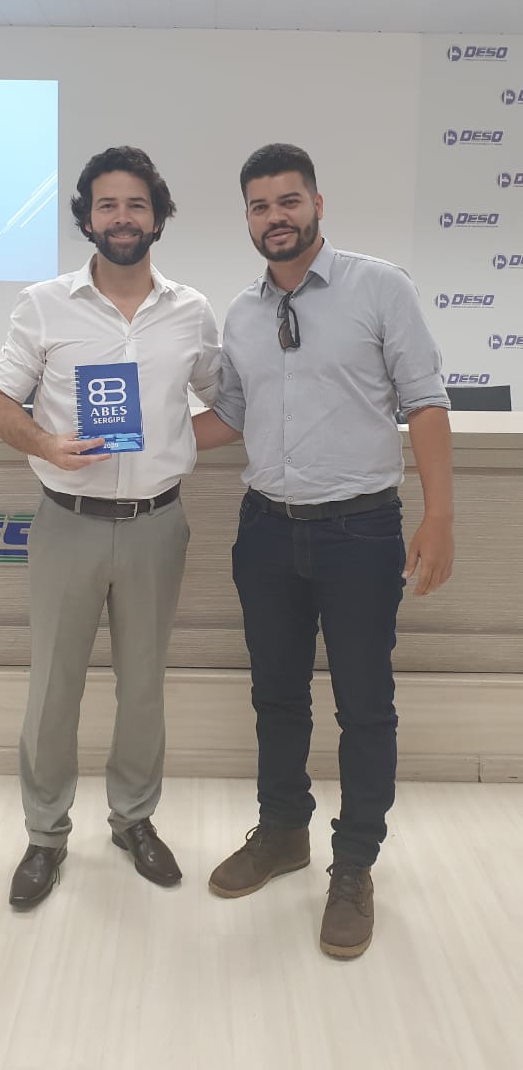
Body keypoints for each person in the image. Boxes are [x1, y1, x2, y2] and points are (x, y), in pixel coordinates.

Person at [193, 143, 453, 959]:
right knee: (275, 696)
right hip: (265, 531)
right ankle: (282, 832)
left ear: (316, 204)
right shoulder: (241, 313)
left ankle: (353, 864)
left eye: (288, 200)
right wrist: (128, 441)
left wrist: (439, 517)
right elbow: (228, 419)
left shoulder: (379, 287)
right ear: (246, 218)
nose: (275, 217)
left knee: (363, 705)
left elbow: (425, 402)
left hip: (360, 532)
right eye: (259, 206)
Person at [0, 146, 220, 908]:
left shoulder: (191, 310)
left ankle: (133, 821)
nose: (122, 218)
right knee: (53, 688)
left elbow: (225, 403)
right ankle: (45, 834)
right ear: (87, 219)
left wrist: (174, 443)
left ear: (158, 218)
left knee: (143, 687)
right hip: (68, 523)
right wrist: (45, 443)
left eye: (136, 205)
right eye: (107, 205)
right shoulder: (43, 304)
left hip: (157, 525)